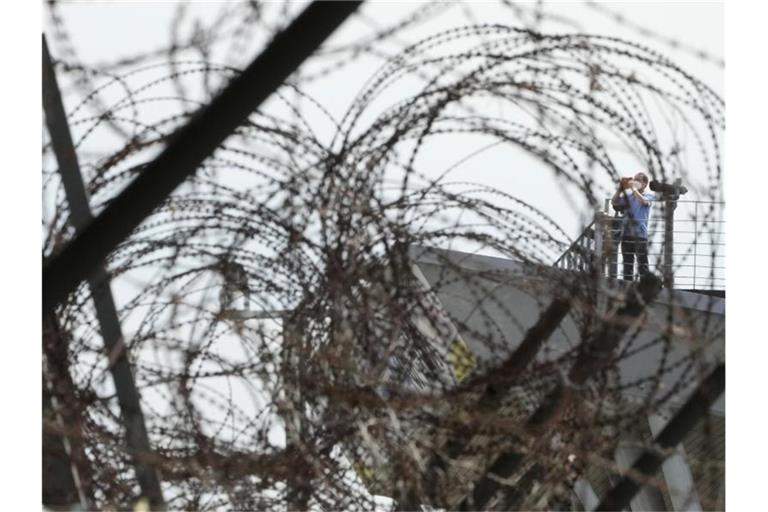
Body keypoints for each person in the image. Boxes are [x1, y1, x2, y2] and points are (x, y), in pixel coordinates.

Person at [611, 172, 654, 281]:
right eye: (635, 179)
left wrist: (633, 189)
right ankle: (628, 287)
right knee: (627, 265)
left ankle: (645, 286)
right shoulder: (628, 197)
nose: (635, 182)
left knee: (642, 264)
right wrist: (621, 189)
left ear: (644, 184)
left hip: (640, 235)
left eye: (638, 180)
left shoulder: (648, 195)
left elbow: (643, 202)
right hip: (627, 234)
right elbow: (614, 202)